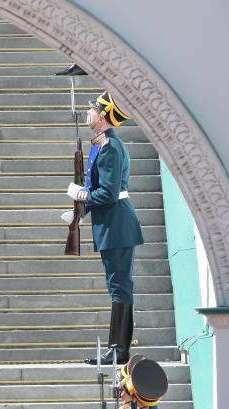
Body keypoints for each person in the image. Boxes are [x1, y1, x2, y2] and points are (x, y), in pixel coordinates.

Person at [63, 90, 144, 365]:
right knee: (118, 286)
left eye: (93, 109)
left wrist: (81, 196)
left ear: (104, 117)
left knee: (119, 287)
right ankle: (118, 348)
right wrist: (80, 211)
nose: (88, 112)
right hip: (112, 223)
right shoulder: (103, 143)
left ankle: (118, 349)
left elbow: (108, 193)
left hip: (117, 224)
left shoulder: (110, 146)